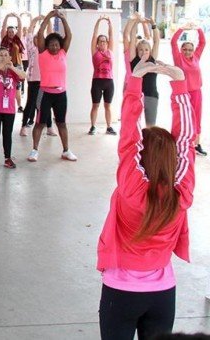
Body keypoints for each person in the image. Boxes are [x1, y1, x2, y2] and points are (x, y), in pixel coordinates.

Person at [97, 61, 195, 339]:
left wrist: (135, 84)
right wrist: (179, 85)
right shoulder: (182, 193)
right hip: (163, 295)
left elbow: (129, 138)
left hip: (121, 292)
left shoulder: (132, 189)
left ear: (142, 156)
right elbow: (186, 141)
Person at [28, 10, 77, 162]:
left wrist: (63, 19)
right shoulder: (43, 53)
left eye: (56, 44)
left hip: (61, 94)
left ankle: (66, 150)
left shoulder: (63, 52)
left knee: (61, 123)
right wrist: (49, 16)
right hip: (45, 94)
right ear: (46, 45)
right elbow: (41, 33)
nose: (54, 47)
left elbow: (69, 36)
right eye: (52, 45)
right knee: (40, 123)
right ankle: (34, 150)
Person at [0, 47, 26, 168]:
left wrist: (11, 66)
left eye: (5, 55)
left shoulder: (13, 71)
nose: (3, 57)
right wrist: (2, 64)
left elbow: (23, 76)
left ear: (10, 57)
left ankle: (7, 158)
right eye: (1, 55)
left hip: (9, 108)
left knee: (7, 134)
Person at [171, 23, 205, 156]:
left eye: (190, 49)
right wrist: (182, 29)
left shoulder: (196, 57)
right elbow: (173, 41)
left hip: (196, 93)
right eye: (185, 49)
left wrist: (198, 29)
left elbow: (202, 43)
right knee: (182, 119)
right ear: (181, 49)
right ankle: (177, 144)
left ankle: (196, 144)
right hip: (183, 94)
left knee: (196, 118)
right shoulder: (178, 58)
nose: (187, 52)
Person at [127, 18, 160, 127]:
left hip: (151, 95)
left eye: (146, 49)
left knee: (150, 126)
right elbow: (132, 39)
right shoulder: (134, 59)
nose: (144, 52)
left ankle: (149, 144)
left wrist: (153, 25)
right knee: (134, 125)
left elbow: (156, 41)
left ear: (150, 51)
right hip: (136, 96)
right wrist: (136, 22)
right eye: (141, 49)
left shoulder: (152, 59)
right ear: (137, 51)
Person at [90, 16, 116, 135]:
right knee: (95, 105)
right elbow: (94, 36)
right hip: (97, 81)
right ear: (97, 44)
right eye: (100, 41)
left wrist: (110, 24)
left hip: (109, 82)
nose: (102, 42)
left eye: (104, 41)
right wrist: (98, 21)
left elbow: (111, 36)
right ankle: (93, 126)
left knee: (108, 106)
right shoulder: (95, 52)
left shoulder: (110, 51)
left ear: (107, 43)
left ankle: (109, 127)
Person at [20, 15, 44, 136]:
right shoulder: (31, 49)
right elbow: (29, 33)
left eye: (38, 38)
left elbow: (49, 34)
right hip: (33, 80)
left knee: (42, 105)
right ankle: (23, 126)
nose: (36, 40)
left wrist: (47, 22)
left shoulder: (45, 50)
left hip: (44, 81)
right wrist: (35, 20)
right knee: (30, 103)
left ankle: (45, 126)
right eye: (35, 38)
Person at [0, 13, 25, 112]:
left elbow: (20, 28)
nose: (11, 33)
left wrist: (18, 17)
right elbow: (3, 28)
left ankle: (19, 106)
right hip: (6, 65)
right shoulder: (4, 39)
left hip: (17, 65)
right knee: (6, 85)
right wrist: (6, 17)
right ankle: (5, 104)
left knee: (17, 87)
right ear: (7, 32)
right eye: (9, 31)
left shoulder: (17, 39)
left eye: (12, 31)